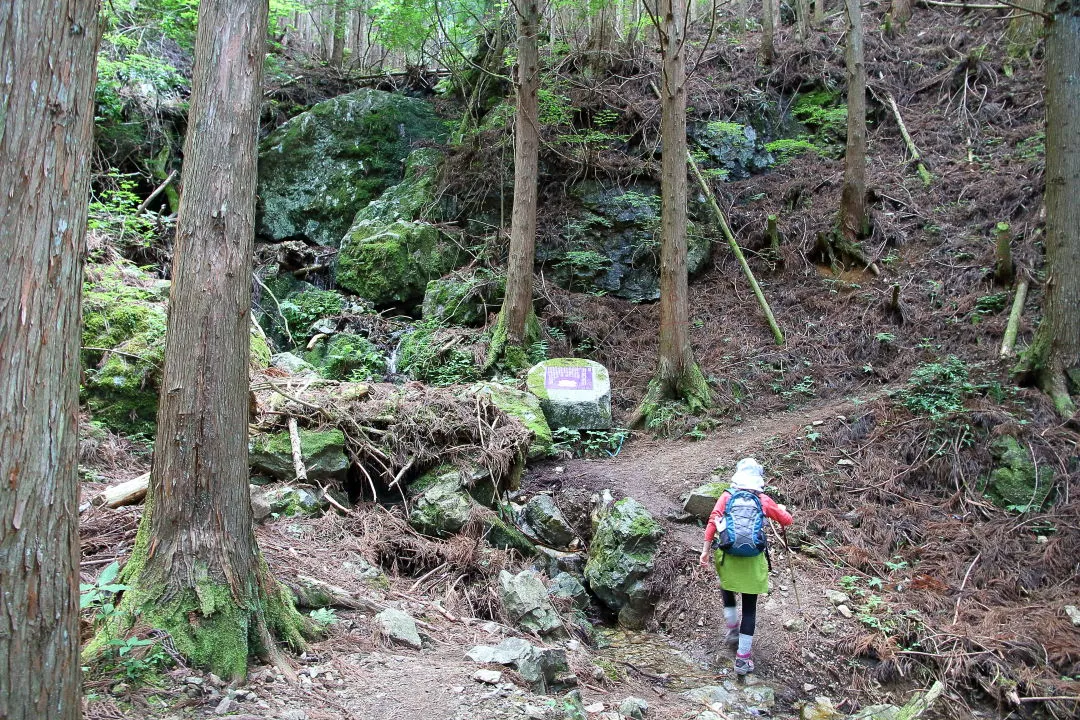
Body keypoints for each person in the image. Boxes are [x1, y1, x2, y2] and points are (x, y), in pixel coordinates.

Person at [699, 457, 792, 675]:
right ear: (758, 478)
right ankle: (742, 660)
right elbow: (787, 521)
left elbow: (713, 521)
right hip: (753, 560)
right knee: (750, 608)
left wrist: (704, 551)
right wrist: (780, 509)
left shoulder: (727, 496)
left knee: (727, 588)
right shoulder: (763, 499)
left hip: (728, 556)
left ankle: (732, 629)